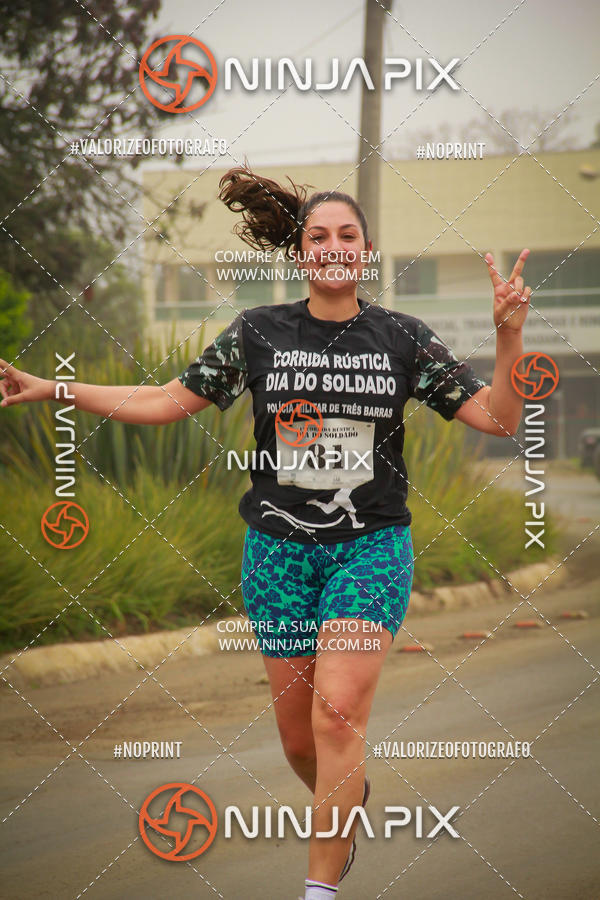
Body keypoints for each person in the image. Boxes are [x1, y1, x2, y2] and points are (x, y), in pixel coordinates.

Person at [0, 165, 531, 900]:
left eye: (348, 235)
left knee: (338, 710)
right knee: (299, 740)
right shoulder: (260, 332)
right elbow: (165, 400)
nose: (334, 246)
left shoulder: (404, 338)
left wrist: (510, 337)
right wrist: (54, 387)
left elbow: (499, 418)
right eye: (320, 236)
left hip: (369, 546)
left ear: (366, 252)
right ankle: (345, 802)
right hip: (278, 551)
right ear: (302, 253)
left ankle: (319, 890)